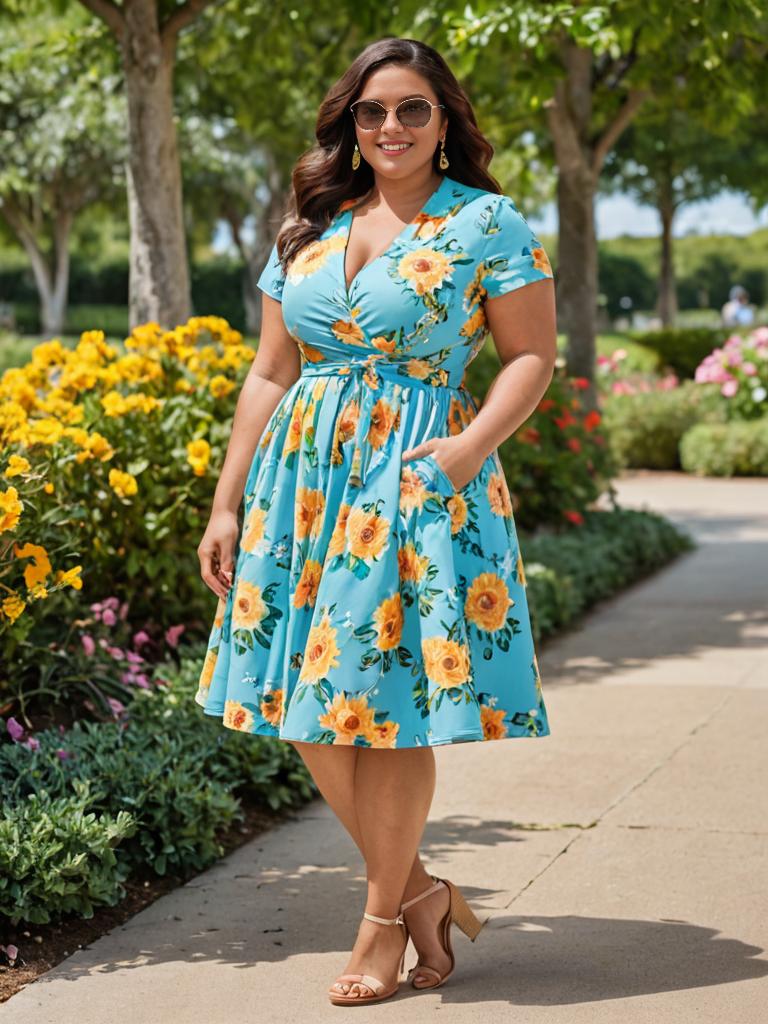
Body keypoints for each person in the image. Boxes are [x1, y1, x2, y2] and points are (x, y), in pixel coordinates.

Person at [195, 36, 557, 1006]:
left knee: (382, 708)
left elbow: (532, 354)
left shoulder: (486, 221)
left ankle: (383, 919)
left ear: (446, 122)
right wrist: (227, 501)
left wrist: (471, 446)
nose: (389, 127)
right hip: (301, 486)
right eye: (370, 112)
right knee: (309, 709)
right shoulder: (312, 223)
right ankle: (426, 890)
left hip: (416, 479)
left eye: (411, 110)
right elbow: (270, 370)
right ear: (348, 126)